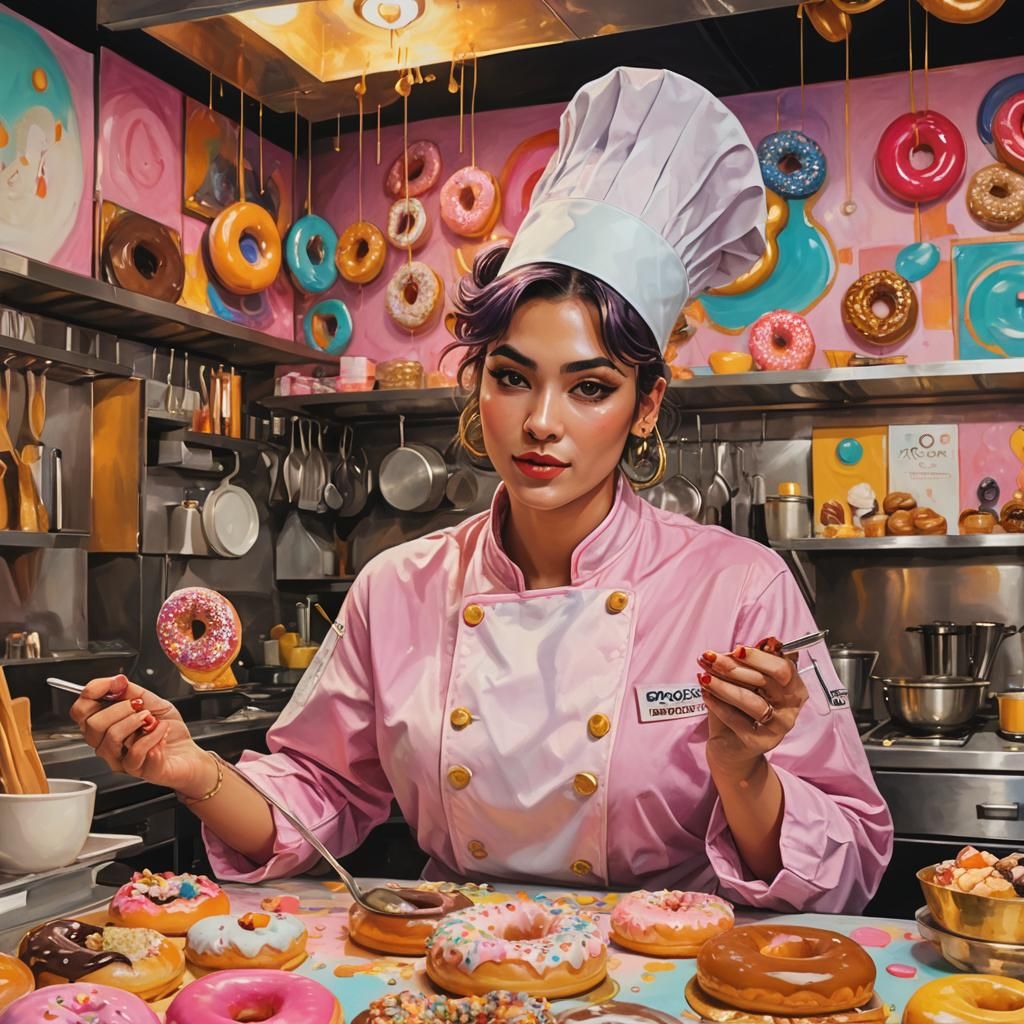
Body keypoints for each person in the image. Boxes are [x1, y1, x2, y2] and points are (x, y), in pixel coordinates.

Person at [73, 68, 892, 913]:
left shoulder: (740, 589)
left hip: (663, 971)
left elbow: (850, 860)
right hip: (458, 961)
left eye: (590, 386)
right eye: (512, 376)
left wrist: (742, 770)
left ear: (646, 405)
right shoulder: (399, 587)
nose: (541, 422)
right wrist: (192, 769)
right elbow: (314, 794)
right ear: (478, 386)